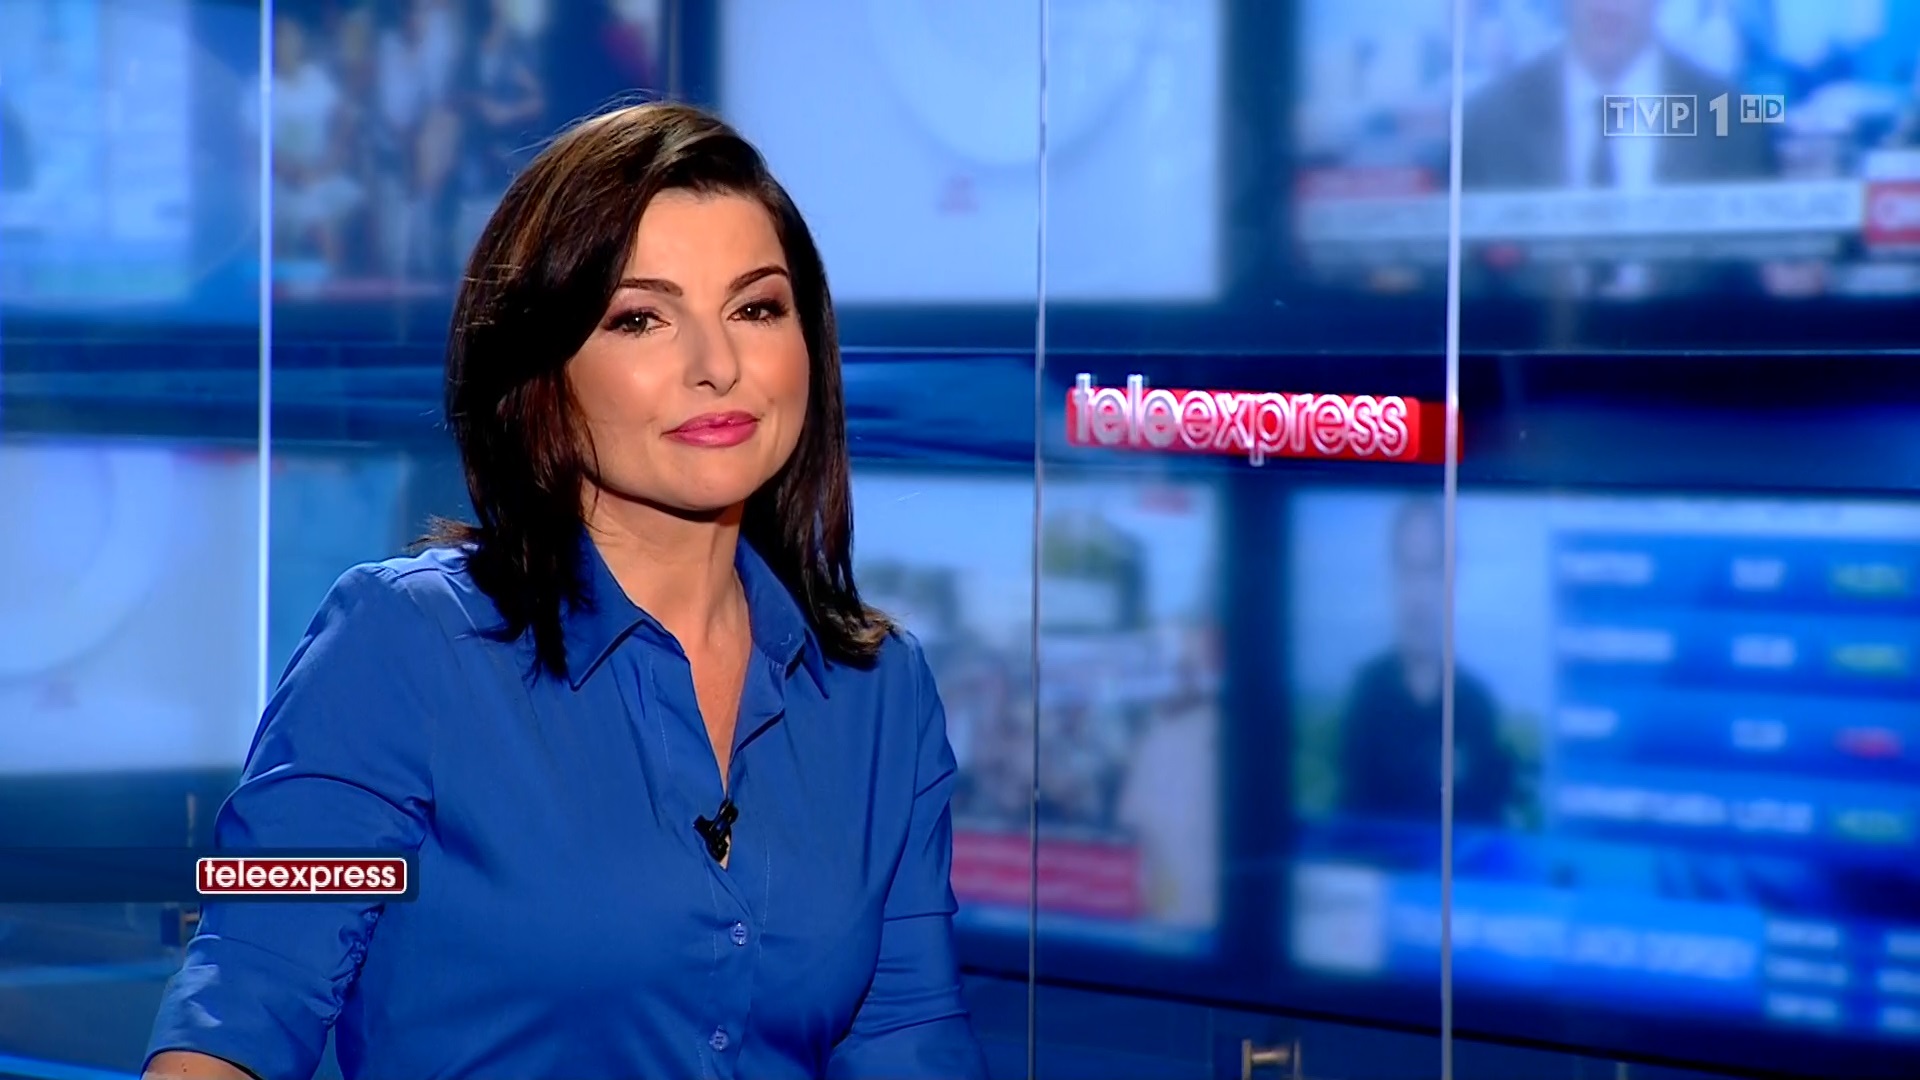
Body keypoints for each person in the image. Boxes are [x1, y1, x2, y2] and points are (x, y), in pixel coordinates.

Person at [143, 102, 988, 1080]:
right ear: (543, 370)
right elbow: (243, 999)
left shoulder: (878, 692)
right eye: (640, 319)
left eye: (756, 309)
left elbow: (910, 1040)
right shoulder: (401, 645)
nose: (718, 367)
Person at [1336, 498, 1517, 827]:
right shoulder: (1366, 695)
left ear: (1451, 579)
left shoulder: (1477, 706)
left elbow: (1488, 829)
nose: (1418, 594)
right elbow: (1350, 827)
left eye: (1431, 570)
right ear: (1393, 577)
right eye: (1408, 570)